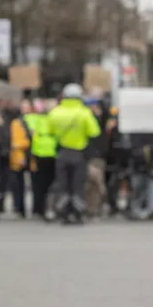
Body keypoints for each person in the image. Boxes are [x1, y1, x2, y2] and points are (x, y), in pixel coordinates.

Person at [44, 83, 101, 224]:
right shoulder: (84, 113)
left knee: (63, 185)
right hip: (78, 154)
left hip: (62, 153)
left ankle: (63, 212)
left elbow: (49, 131)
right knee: (78, 186)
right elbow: (94, 132)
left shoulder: (55, 112)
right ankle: (78, 213)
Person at [25, 98, 57, 218]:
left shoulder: (35, 119)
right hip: (52, 154)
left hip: (38, 154)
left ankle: (39, 209)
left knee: (39, 184)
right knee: (49, 184)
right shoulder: (54, 120)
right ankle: (47, 208)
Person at [7, 99, 33, 218]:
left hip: (32, 155)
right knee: (19, 184)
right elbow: (15, 142)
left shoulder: (35, 121)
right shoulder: (16, 123)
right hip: (20, 155)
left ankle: (34, 209)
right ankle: (20, 208)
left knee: (34, 183)